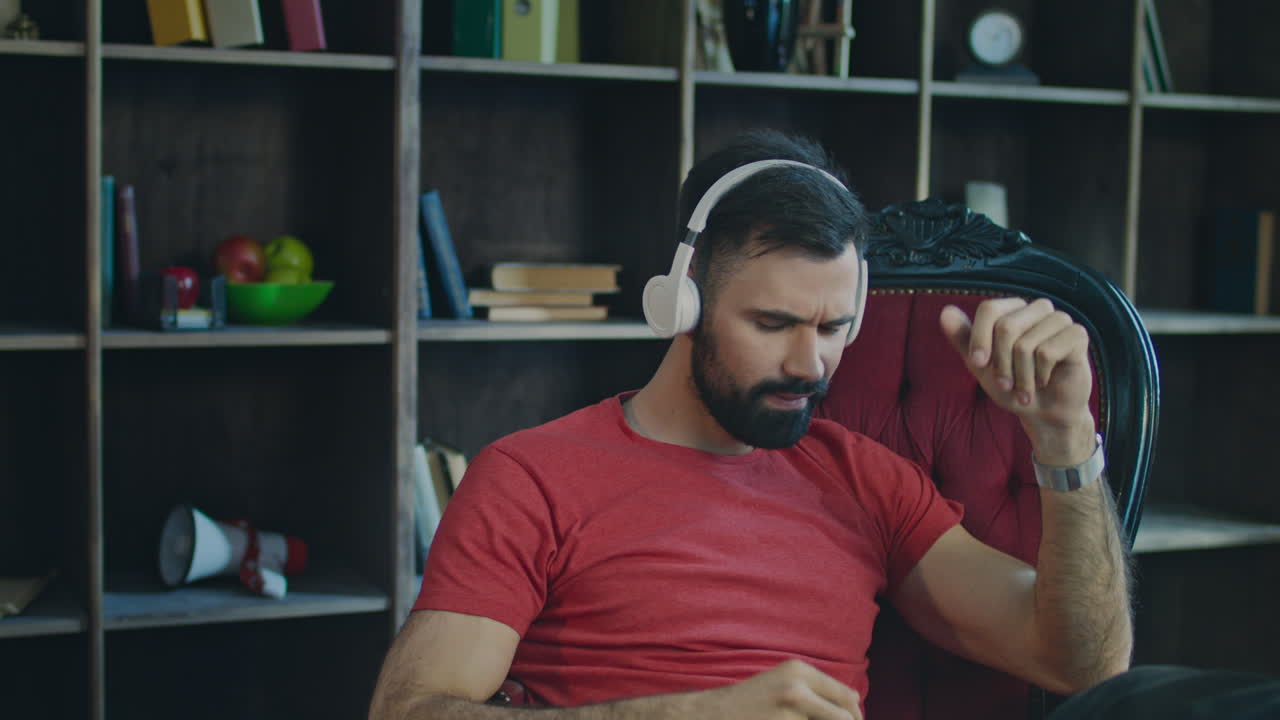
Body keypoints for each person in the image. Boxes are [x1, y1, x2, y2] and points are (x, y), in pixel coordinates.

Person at [368, 129, 1132, 720]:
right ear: (683, 302)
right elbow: (407, 711)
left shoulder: (866, 481)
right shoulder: (531, 477)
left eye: (835, 326)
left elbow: (1081, 665)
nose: (812, 363)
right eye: (774, 323)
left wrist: (1065, 440)